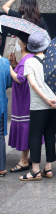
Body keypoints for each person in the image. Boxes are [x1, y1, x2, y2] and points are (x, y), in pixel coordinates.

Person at [21, 32, 56, 181]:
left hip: (39, 105)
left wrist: (45, 99)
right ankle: (48, 168)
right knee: (50, 135)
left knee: (35, 136)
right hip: (54, 104)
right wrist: (54, 99)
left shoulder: (30, 62)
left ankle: (35, 170)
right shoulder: (53, 60)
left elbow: (32, 83)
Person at [7, 37, 36, 174]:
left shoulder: (26, 59)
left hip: (23, 100)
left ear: (24, 44)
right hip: (25, 97)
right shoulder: (28, 58)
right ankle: (28, 157)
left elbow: (20, 78)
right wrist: (14, 64)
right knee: (28, 126)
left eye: (19, 41)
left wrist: (8, 67)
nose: (17, 44)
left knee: (24, 125)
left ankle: (23, 160)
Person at [0, 40, 10, 176]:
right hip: (0, 104)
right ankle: (1, 166)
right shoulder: (4, 63)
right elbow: (8, 83)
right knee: (0, 135)